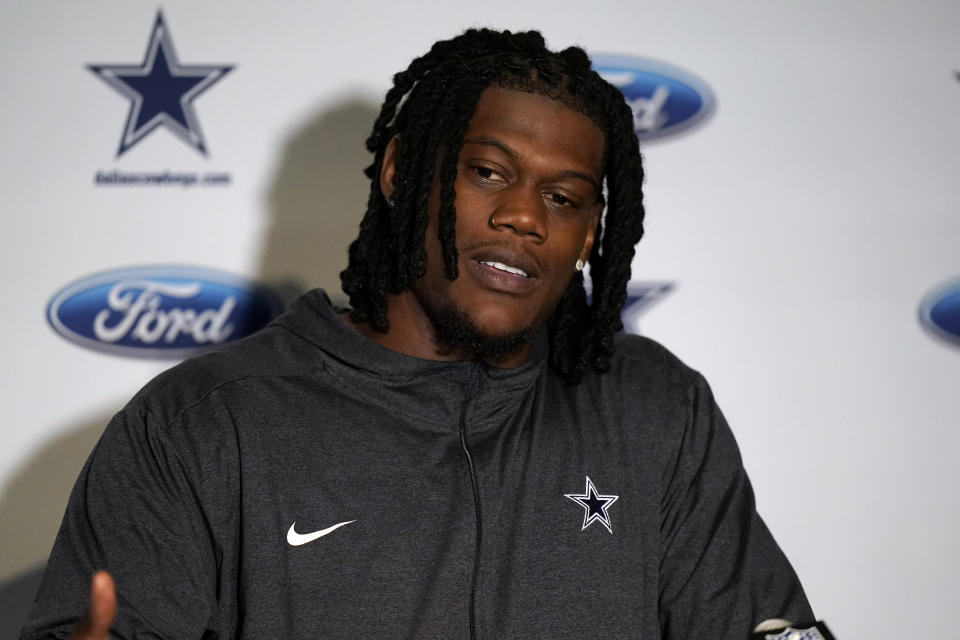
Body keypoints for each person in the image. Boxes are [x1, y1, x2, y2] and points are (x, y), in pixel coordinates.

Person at [22, 28, 812, 639]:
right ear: (401, 172)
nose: (525, 218)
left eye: (565, 198)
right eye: (488, 172)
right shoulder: (206, 422)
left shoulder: (653, 410)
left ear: (591, 233)